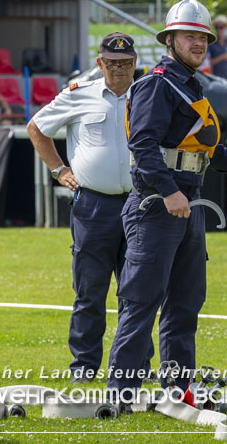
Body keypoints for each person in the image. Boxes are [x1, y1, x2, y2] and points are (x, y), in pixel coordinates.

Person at [107, 0, 227, 395]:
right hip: (157, 204)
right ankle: (121, 392)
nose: (198, 43)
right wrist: (168, 192)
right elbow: (143, 145)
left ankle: (178, 389)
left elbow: (205, 149)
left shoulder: (191, 84)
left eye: (203, 37)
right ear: (170, 39)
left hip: (189, 202)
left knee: (186, 302)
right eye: (189, 36)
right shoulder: (156, 84)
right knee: (142, 301)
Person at [27, 32, 153, 383]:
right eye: (112, 64)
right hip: (94, 206)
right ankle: (84, 367)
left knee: (138, 292)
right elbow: (36, 128)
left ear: (135, 64)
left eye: (126, 64)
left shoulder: (147, 96)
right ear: (100, 63)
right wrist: (58, 170)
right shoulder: (78, 95)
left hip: (140, 203)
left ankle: (136, 365)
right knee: (90, 291)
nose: (119, 71)